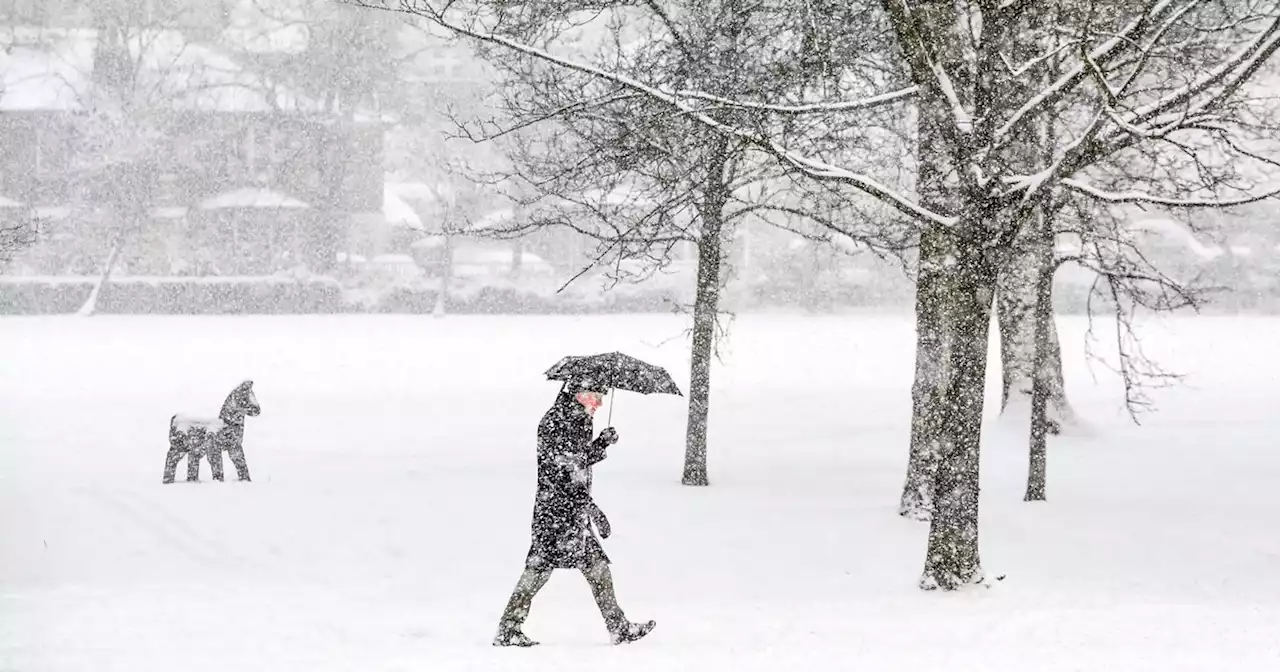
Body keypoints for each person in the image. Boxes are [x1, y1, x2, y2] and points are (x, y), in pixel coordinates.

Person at [493, 380, 655, 647]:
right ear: (580, 394)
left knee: (596, 568)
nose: (600, 403)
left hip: (570, 514)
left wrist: (600, 443)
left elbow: (576, 460)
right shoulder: (555, 421)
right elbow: (564, 468)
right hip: (555, 515)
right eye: (596, 396)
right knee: (538, 570)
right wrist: (591, 504)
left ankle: (618, 627)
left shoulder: (577, 419)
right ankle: (508, 629)